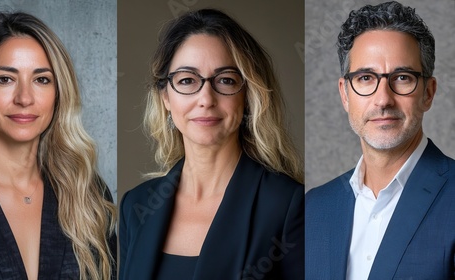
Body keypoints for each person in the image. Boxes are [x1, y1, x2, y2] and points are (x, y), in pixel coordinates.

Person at [119, 8, 304, 280]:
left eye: (225, 80)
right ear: (165, 98)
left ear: (247, 95)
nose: (206, 99)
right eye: (187, 80)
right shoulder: (135, 206)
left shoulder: (288, 205)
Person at [0, 12, 116, 279]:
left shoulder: (89, 196)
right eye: (5, 79)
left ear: (58, 91)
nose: (25, 98)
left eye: (41, 79)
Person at [305, 1, 455, 279]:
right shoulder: (313, 209)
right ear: (345, 94)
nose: (383, 99)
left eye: (402, 77)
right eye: (365, 78)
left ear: (428, 93)